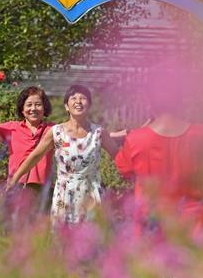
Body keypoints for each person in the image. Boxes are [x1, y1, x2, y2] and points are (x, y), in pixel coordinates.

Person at [114, 64, 203, 247]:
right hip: (197, 225)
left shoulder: (136, 139)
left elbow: (124, 169)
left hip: (153, 226)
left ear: (149, 101)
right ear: (181, 100)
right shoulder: (201, 134)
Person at [7, 85, 127, 225]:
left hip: (91, 193)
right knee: (63, 234)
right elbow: (35, 156)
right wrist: (14, 179)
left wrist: (138, 177)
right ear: (66, 106)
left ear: (89, 105)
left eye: (83, 98)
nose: (78, 101)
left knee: (91, 233)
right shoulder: (57, 133)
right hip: (64, 195)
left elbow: (119, 157)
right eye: (73, 98)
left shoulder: (99, 133)